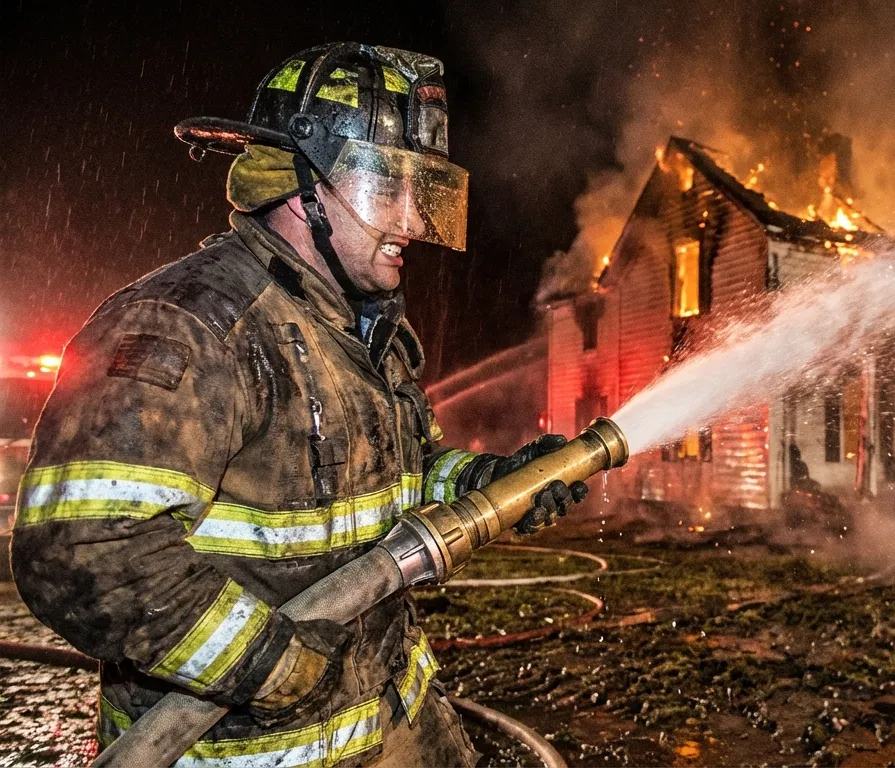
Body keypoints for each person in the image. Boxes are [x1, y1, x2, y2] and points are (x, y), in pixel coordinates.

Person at [11, 42, 586, 767]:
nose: (413, 220)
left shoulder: (365, 325)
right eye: (388, 188)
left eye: (425, 190)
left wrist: (483, 485)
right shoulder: (190, 325)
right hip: (258, 748)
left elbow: (401, 473)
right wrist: (273, 665)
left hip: (395, 709)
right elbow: (82, 549)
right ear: (300, 185)